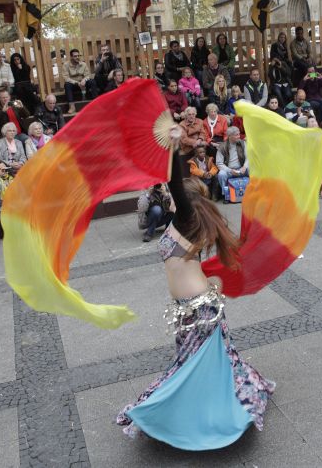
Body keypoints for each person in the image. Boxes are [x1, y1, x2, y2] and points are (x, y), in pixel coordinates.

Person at [117, 126, 274, 448]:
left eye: (172, 194)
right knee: (196, 364)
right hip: (191, 308)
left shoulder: (186, 220)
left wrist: (174, 148)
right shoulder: (184, 224)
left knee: (194, 366)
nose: (167, 195)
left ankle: (207, 418)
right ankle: (196, 412)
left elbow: (175, 181)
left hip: (198, 309)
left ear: (182, 200)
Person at [215, 126, 248, 197]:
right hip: (229, 170)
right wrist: (230, 170)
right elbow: (219, 163)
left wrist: (245, 167)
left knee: (252, 169)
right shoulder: (222, 146)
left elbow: (248, 157)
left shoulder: (243, 143)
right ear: (230, 136)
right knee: (221, 174)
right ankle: (225, 195)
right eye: (236, 135)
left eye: (239, 134)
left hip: (241, 169)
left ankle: (254, 191)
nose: (239, 136)